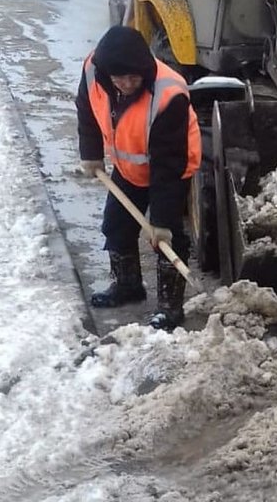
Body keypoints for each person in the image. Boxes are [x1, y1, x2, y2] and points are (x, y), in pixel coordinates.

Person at [75, 26, 202, 331]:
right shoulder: (94, 71)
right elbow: (87, 111)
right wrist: (91, 154)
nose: (128, 83)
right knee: (116, 225)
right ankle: (128, 286)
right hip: (128, 166)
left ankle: (170, 308)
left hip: (170, 168)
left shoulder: (169, 94)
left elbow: (168, 165)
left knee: (167, 235)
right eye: (120, 78)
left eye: (134, 77)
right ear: (107, 73)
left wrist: (161, 220)